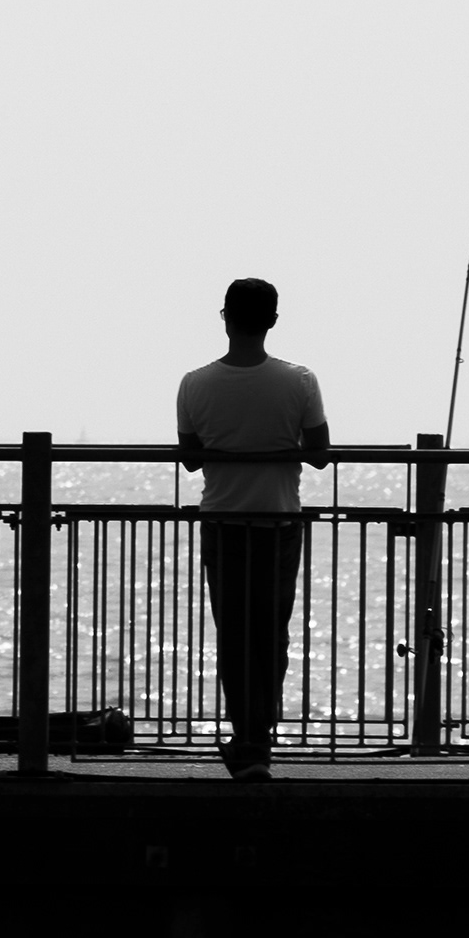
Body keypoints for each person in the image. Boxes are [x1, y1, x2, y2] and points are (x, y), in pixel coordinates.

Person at [176, 279, 331, 778]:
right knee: (271, 633)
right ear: (273, 321)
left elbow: (190, 459)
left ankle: (248, 739)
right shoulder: (300, 381)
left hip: (222, 520)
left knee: (234, 633)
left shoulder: (194, 384)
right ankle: (257, 738)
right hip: (278, 520)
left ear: (225, 317)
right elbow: (320, 454)